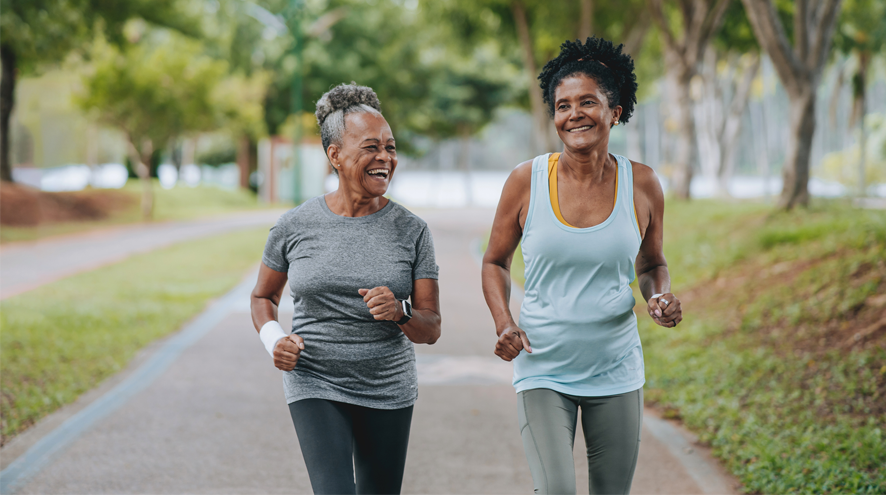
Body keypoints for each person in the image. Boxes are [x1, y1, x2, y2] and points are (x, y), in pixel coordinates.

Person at [481, 37, 683, 495]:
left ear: (614, 111)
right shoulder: (526, 180)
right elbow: (494, 261)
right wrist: (504, 322)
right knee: (556, 490)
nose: (574, 114)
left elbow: (651, 263)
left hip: (614, 367)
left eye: (587, 102)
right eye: (563, 105)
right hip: (543, 365)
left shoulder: (643, 183)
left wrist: (658, 297)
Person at [250, 82, 441, 495]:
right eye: (371, 147)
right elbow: (263, 297)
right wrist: (274, 339)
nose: (385, 158)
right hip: (314, 377)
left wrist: (401, 311)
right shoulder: (294, 226)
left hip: (386, 385)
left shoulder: (412, 231)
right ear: (335, 155)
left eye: (390, 148)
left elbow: (431, 327)